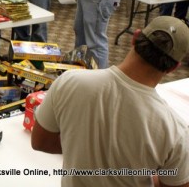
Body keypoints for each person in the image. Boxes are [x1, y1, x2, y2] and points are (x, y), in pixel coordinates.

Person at [32, 16, 189, 187]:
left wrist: (82, 150)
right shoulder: (175, 131)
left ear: (135, 37)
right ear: (174, 67)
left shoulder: (70, 81)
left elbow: (40, 142)